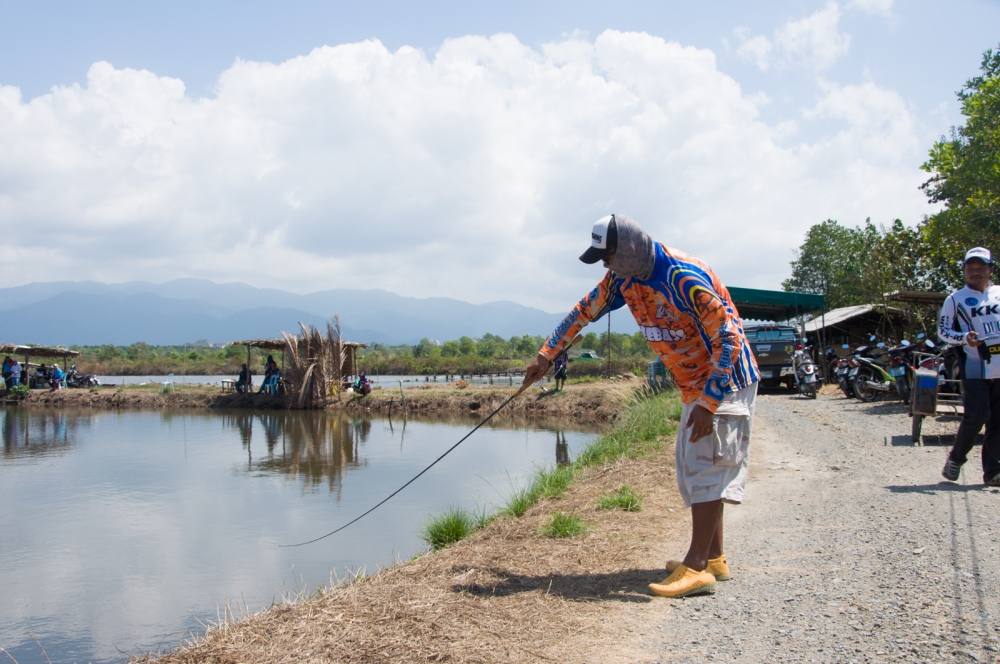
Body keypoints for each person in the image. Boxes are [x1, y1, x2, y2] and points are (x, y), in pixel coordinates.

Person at [522, 214, 759, 599]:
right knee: (693, 465)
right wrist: (547, 355)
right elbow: (585, 309)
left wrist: (710, 402)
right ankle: (714, 557)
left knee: (706, 465)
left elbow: (729, 339)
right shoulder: (623, 279)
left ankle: (697, 567)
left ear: (629, 249)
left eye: (607, 255)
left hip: (725, 380)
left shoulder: (683, 278)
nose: (604, 264)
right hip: (691, 384)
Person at [937, 247, 1000, 486]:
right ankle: (956, 458)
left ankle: (993, 472)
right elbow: (943, 332)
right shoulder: (954, 299)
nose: (975, 272)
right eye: (970, 268)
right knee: (977, 415)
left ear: (990, 269)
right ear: (964, 271)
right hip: (975, 365)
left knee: (998, 420)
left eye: (980, 267)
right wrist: (965, 338)